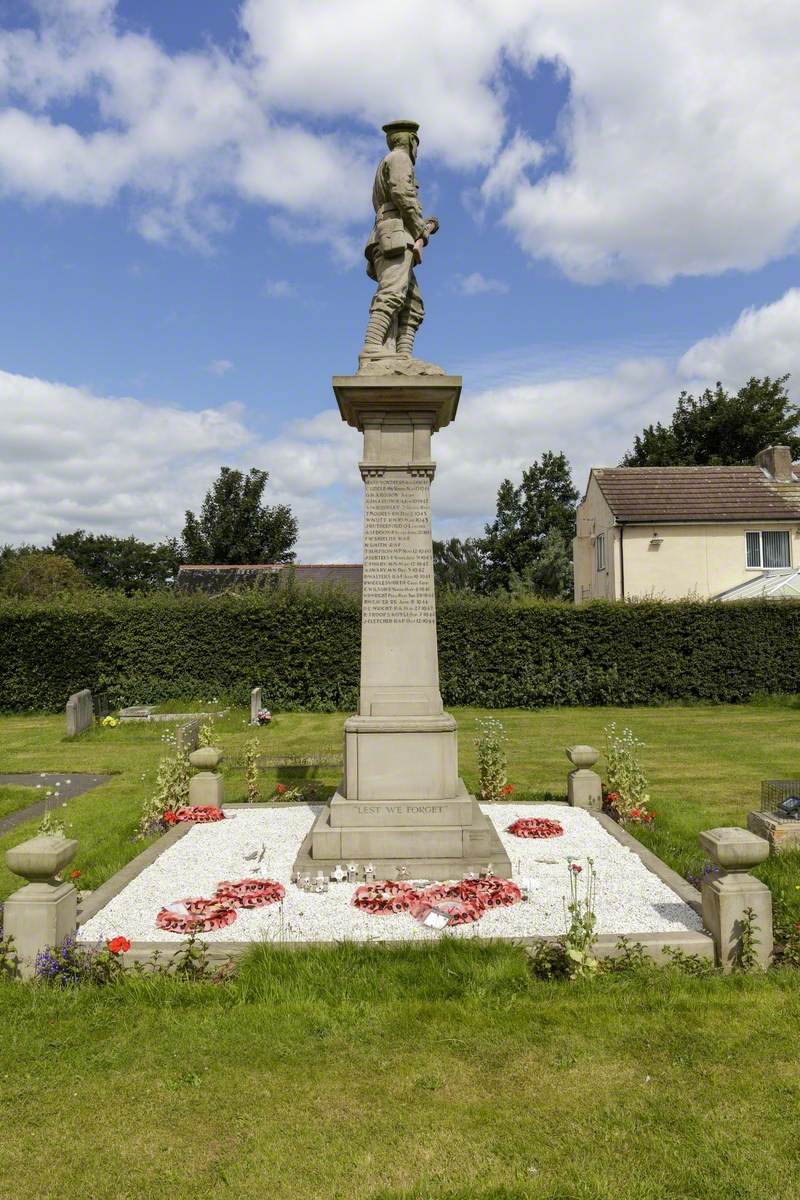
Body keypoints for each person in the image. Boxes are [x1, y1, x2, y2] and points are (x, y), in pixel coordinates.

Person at [360, 119, 439, 368]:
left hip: (393, 233)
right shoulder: (399, 158)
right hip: (395, 235)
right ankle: (373, 347)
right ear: (410, 141)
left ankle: (402, 356)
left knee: (413, 304)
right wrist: (420, 230)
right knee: (393, 292)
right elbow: (402, 193)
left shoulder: (390, 160)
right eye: (416, 142)